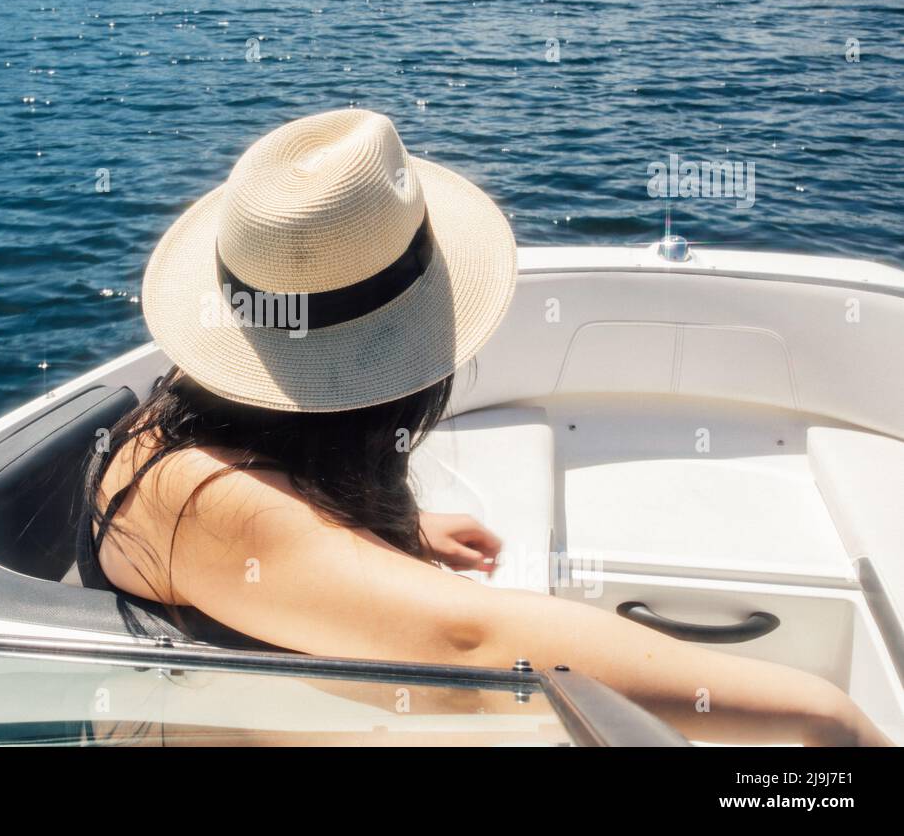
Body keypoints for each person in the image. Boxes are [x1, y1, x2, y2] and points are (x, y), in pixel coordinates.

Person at [79, 108, 890, 746]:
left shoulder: (197, 416)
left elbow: (266, 532)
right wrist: (824, 716)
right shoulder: (199, 498)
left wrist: (400, 531)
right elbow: (467, 641)